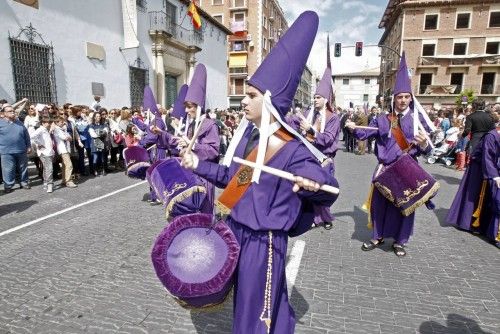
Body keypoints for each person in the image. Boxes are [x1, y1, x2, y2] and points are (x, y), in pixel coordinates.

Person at [181, 11, 338, 333]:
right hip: (237, 231)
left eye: (251, 96)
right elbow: (233, 180)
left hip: (263, 241)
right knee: (256, 302)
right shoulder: (252, 140)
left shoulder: (291, 146)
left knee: (257, 310)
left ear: (270, 102)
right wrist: (199, 165)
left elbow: (326, 182)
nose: (243, 101)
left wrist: (313, 182)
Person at [346, 51, 435, 257]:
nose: (403, 100)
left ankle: (400, 241)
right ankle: (377, 237)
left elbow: (428, 148)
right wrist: (351, 127)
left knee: (405, 206)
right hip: (385, 168)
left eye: (406, 97)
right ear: (393, 99)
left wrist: (423, 145)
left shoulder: (417, 120)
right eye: (399, 97)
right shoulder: (383, 119)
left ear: (411, 98)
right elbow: (366, 132)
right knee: (380, 205)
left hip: (407, 168)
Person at [152, 65, 220, 212]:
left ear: (199, 106)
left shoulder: (209, 125)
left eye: (190, 107)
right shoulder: (191, 125)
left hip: (204, 176)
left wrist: (193, 145)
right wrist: (161, 133)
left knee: (204, 211)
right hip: (190, 175)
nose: (187, 111)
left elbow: (213, 151)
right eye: (186, 107)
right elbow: (179, 140)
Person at [287, 65, 341, 230]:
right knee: (308, 190)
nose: (315, 100)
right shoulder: (308, 112)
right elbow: (292, 122)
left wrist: (311, 130)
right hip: (308, 159)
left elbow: (328, 139)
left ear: (326, 99)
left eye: (319, 97)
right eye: (315, 97)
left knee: (322, 190)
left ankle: (326, 218)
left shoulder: (333, 118)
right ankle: (313, 218)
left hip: (324, 159)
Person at [0, 104, 32, 193]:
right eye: (10, 111)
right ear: (4, 113)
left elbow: (26, 135)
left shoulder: (19, 122)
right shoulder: (0, 123)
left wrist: (29, 146)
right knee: (8, 169)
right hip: (6, 151)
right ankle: (8, 185)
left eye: (13, 111)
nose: (13, 112)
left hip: (21, 150)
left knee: (23, 168)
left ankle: (24, 182)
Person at [31, 117, 55, 193]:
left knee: (46, 168)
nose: (49, 124)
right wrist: (39, 144)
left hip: (48, 151)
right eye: (48, 122)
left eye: (49, 122)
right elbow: (32, 136)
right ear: (43, 123)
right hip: (45, 152)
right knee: (49, 168)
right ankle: (49, 184)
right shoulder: (41, 129)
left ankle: (46, 182)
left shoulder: (45, 130)